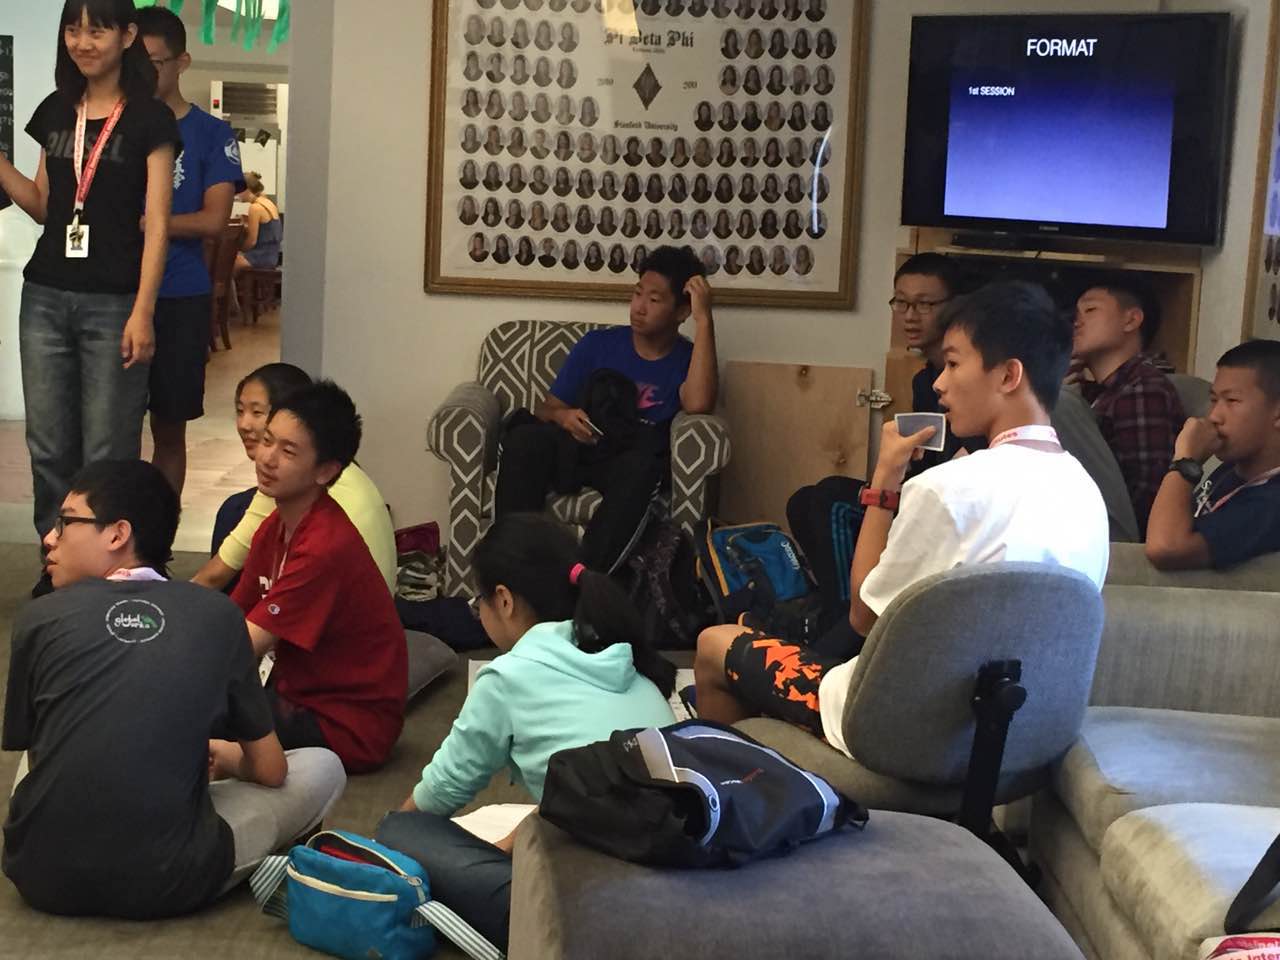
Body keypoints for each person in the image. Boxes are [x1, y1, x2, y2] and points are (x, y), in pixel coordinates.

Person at [694, 281, 1109, 745]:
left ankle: (743, 780)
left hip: (902, 730)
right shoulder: (1085, 492)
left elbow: (864, 615)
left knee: (715, 643)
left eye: (953, 363)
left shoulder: (947, 488)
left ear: (1009, 376)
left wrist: (885, 479)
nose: (939, 382)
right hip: (1023, 735)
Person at [2, 459, 345, 919]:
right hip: (169, 880)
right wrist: (224, 758)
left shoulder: (38, 618)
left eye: (66, 522)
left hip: (40, 874)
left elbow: (39, 753)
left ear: (117, 534)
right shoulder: (216, 615)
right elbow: (270, 770)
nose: (49, 537)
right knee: (323, 765)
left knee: (51, 743)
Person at [377, 515, 675, 951]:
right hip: (674, 890)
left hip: (585, 916)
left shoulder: (509, 677)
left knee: (398, 834)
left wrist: (387, 843)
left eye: (477, 602)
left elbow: (437, 795)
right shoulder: (622, 657)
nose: (478, 613)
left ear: (503, 600)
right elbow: (598, 793)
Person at [0, 0, 181, 595]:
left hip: (115, 302)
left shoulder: (151, 118)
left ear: (127, 35)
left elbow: (158, 224)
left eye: (97, 29)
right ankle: (56, 566)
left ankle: (109, 574)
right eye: (73, 29)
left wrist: (143, 311)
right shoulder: (56, 109)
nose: (83, 41)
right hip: (45, 295)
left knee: (108, 449)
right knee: (48, 445)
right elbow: (44, 207)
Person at [494, 247, 719, 571]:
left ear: (681, 311)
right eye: (637, 294)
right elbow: (547, 409)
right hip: (578, 449)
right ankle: (509, 566)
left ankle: (584, 579)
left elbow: (698, 404)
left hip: (625, 460)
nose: (639, 307)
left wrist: (704, 320)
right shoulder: (598, 345)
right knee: (525, 439)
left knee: (643, 469)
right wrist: (564, 417)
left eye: (654, 300)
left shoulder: (687, 358)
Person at [225, 382, 407, 774]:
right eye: (268, 441)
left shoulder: (325, 545)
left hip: (345, 724)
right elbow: (231, 616)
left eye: (288, 451)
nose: (267, 458)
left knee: (190, 715)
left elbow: (241, 644)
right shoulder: (276, 526)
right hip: (298, 693)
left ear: (326, 471)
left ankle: (233, 761)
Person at [135, 8, 243, 496]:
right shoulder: (115, 127)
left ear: (182, 62)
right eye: (134, 62)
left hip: (181, 296)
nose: (143, 73)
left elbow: (214, 220)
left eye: (154, 62)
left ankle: (158, 533)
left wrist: (148, 225)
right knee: (112, 430)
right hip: (117, 293)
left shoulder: (212, 134)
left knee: (169, 428)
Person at [194, 363, 397, 596]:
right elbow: (242, 604)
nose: (244, 424)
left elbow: (215, 577)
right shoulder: (275, 523)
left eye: (257, 413)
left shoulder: (320, 537)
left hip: (337, 607)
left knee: (234, 511)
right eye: (240, 411)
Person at [1146, 340, 1280, 570]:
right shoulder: (1232, 468)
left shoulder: (1271, 503)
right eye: (1214, 400)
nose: (1214, 416)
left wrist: (1185, 462)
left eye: (1232, 401)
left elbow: (1165, 548)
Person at [1072, 277, 1185, 535]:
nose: (1077, 322)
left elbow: (1146, 494)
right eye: (1076, 314)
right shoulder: (1096, 393)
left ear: (1131, 320)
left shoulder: (1143, 389)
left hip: (1117, 538)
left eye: (1090, 310)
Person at [235, 171, 281, 281]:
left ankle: (227, 292)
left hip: (259, 257)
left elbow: (252, 241)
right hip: (272, 257)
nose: (236, 193)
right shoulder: (269, 203)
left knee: (226, 266)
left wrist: (239, 250)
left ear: (246, 189)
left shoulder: (255, 208)